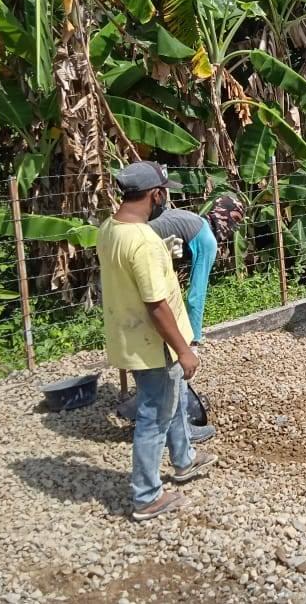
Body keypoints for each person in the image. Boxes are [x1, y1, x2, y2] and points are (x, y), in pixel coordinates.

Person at [98, 161, 217, 521]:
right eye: (164, 192)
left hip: (130, 337)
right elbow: (156, 305)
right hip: (155, 344)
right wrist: (184, 349)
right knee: (154, 416)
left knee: (174, 400)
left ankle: (184, 460)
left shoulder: (108, 228)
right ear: (155, 194)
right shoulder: (143, 241)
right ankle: (147, 495)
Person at [148, 206, 218, 444]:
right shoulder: (207, 239)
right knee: (173, 365)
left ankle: (153, 406)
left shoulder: (188, 222)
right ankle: (177, 426)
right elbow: (196, 296)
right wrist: (192, 342)